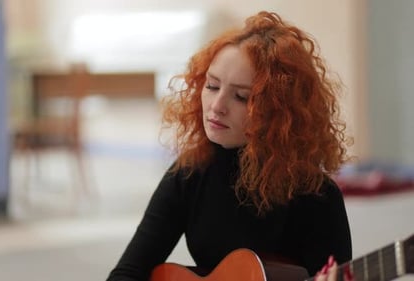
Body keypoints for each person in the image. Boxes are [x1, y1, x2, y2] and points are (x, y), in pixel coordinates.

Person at [106, 10, 353, 281]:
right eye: (212, 86)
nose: (217, 106)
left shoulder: (317, 197)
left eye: (241, 97)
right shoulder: (190, 172)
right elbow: (128, 273)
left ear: (278, 112)